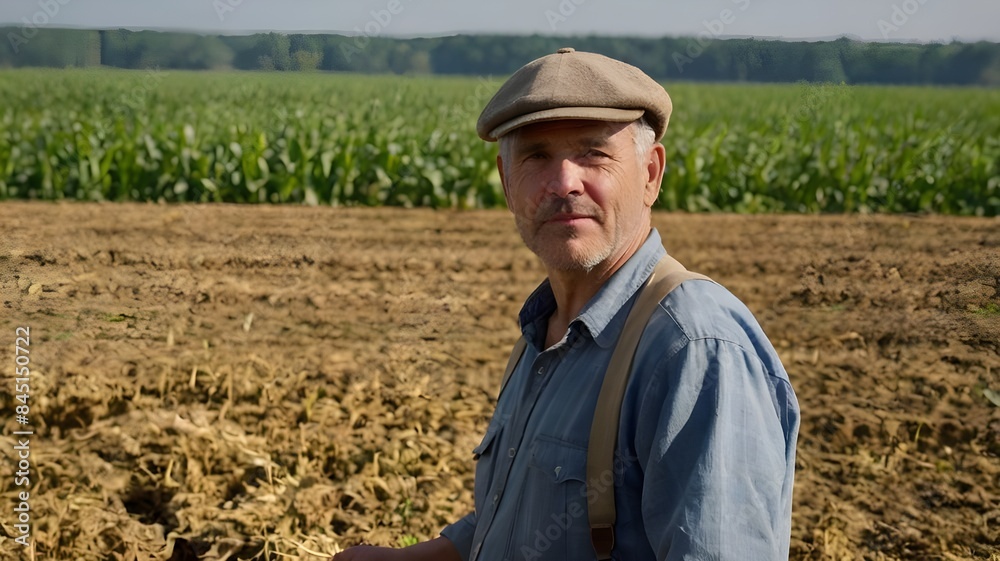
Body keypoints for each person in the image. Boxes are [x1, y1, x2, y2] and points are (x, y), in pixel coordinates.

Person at [333, 48, 799, 561]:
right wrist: (420, 556)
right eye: (536, 157)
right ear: (507, 183)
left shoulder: (693, 348)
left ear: (650, 174)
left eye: (594, 153)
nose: (563, 183)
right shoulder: (545, 332)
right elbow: (534, 515)